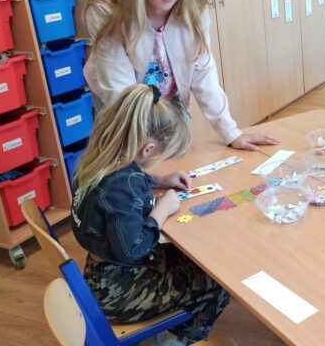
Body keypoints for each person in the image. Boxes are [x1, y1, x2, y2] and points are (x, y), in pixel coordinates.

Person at [83, 0, 277, 151]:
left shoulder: (193, 8)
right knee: (128, 159)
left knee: (174, 157)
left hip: (169, 94)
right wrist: (139, 143)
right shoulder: (107, 10)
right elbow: (119, 88)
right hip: (120, 99)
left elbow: (203, 73)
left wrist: (231, 133)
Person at [71, 84, 229, 346]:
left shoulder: (96, 161)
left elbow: (121, 183)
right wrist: (162, 209)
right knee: (216, 284)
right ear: (147, 149)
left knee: (196, 260)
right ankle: (175, 341)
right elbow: (133, 249)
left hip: (101, 272)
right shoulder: (122, 187)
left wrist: (158, 180)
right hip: (118, 290)